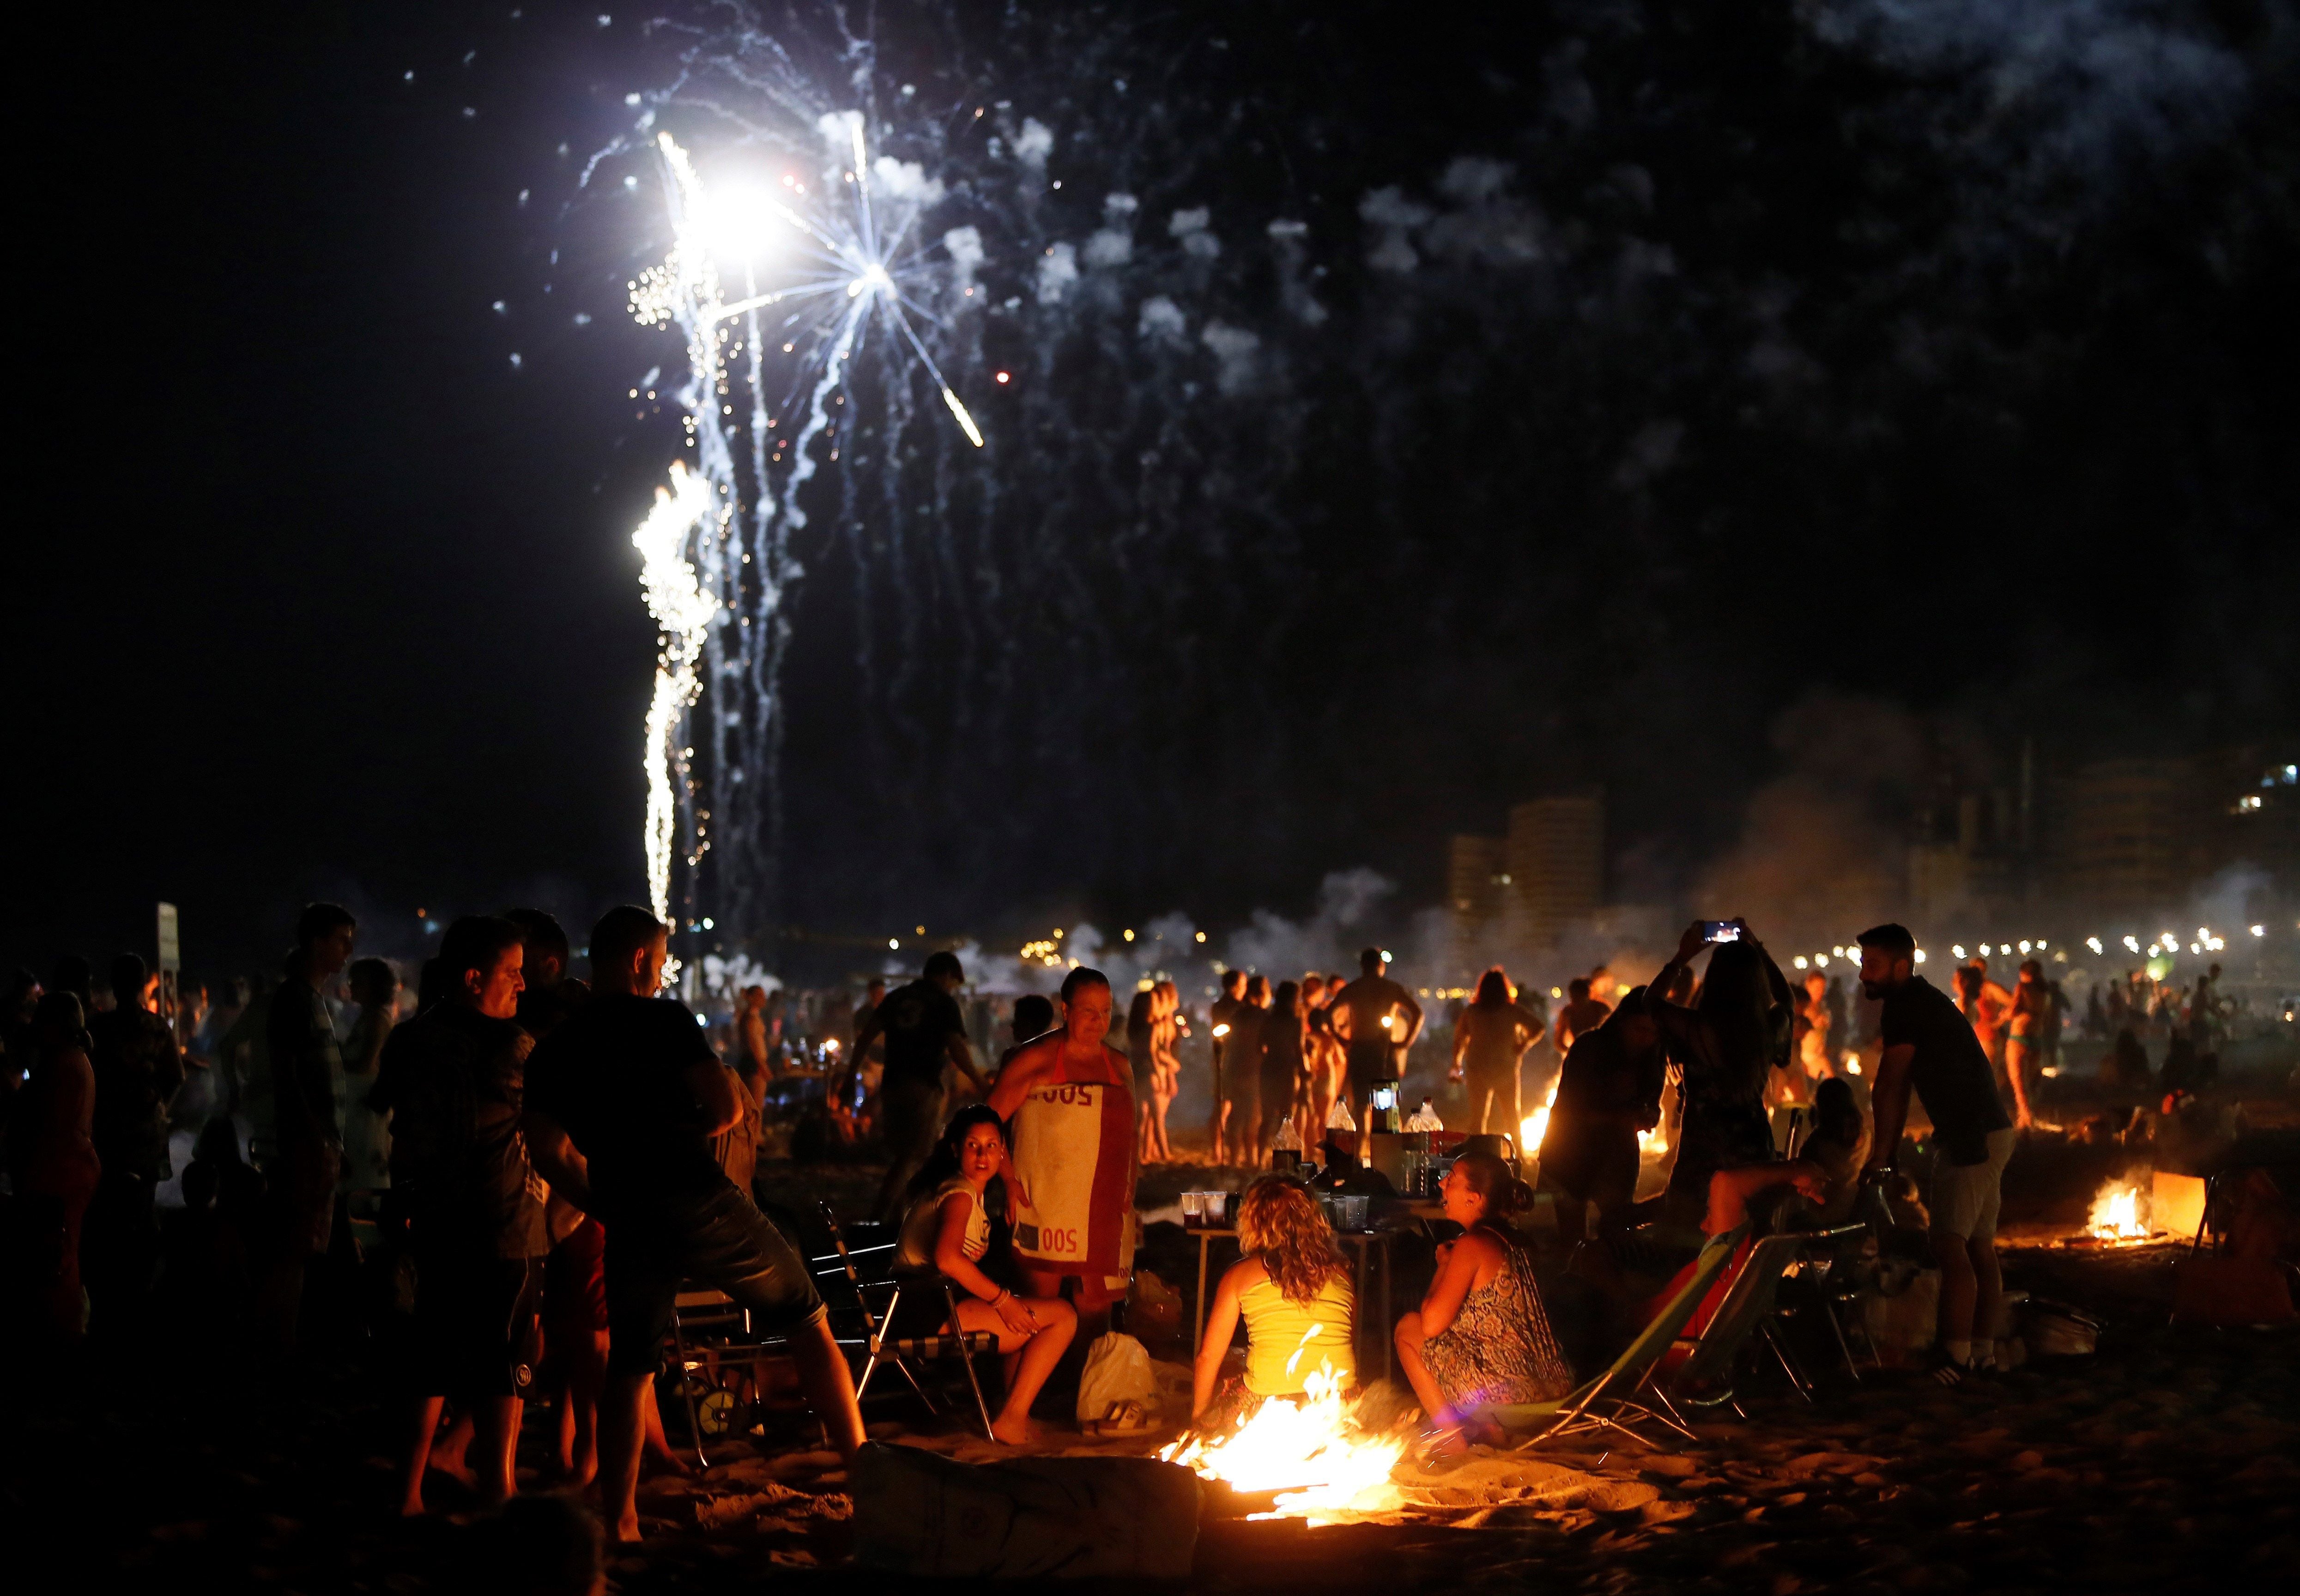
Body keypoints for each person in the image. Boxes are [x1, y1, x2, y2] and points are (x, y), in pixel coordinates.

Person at [525, 906, 861, 1541]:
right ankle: (865, 1473)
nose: (660, 972)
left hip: (629, 1210)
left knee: (632, 1364)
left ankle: (621, 1518)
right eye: (659, 959)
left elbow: (547, 1149)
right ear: (639, 961)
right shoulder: (665, 1020)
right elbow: (728, 1108)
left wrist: (600, 1198)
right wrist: (678, 1140)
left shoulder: (556, 1050)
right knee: (806, 1316)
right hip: (696, 1195)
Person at [368, 916, 549, 1516]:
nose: (523, 986)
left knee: (433, 1357)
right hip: (504, 1224)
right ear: (475, 979)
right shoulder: (511, 1049)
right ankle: (500, 1492)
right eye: (513, 974)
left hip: (436, 1222)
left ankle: (407, 1491)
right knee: (504, 1367)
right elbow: (557, 1127)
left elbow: (391, 1119)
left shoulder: (411, 1039)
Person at [1855, 923, 2015, 1385]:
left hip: (1970, 1135)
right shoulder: (1922, 1000)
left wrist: (1882, 1154)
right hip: (1991, 1130)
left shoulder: (1905, 1007)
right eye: (1863, 963)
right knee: (1979, 1247)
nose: (1864, 973)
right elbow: (1898, 1087)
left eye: (1873, 964)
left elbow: (1891, 1083)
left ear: (1901, 967)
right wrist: (1889, 1149)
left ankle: (1953, 1357)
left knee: (1950, 1246)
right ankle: (1981, 1351)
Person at [894, 1106, 1078, 1443]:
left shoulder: (965, 1190)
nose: (983, 1155)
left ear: (1002, 1152)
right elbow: (947, 1259)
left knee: (1028, 1316)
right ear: (955, 1149)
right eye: (972, 1146)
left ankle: (1011, 1410)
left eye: (992, 1146)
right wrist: (1002, 1300)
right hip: (926, 1308)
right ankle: (1012, 1418)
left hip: (918, 1302)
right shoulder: (960, 1193)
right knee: (1062, 1317)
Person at [1393, 1149, 1574, 1451]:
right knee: (1468, 1336)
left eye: (1452, 1180)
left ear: (1474, 1199)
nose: (1442, 1185)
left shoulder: (1473, 1245)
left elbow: (1432, 1324)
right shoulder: (1522, 1242)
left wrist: (1443, 1267)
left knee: (1408, 1329)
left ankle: (1454, 1442)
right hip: (1557, 1389)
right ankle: (1493, 1434)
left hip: (1513, 1400)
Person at [987, 967, 1138, 1324]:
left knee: (1095, 1308)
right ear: (1066, 1010)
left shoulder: (1119, 1066)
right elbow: (984, 1124)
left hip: (1103, 1205)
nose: (1098, 1021)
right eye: (1089, 1011)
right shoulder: (1035, 1059)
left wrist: (1133, 1197)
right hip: (1044, 1203)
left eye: (1106, 1011)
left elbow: (1132, 1139)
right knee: (1036, 1310)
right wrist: (1007, 1180)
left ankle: (1086, 1380)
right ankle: (1030, 1379)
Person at [1644, 920, 1794, 1226]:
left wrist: (1682, 957)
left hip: (1702, 1152)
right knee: (1750, 1236)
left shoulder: (1694, 1027)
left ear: (1714, 981)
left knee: (1690, 1239)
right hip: (1752, 1149)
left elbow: (1651, 1003)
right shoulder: (1769, 1028)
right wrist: (1759, 949)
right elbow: (1787, 1001)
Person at [261, 902, 357, 1351]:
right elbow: (288, 1071)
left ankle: (291, 1336)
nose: (349, 951)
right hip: (308, 1143)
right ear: (317, 942)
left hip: (320, 1141)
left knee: (305, 1246)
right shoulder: (295, 998)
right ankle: (280, 1342)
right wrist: (314, 1133)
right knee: (296, 1247)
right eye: (342, 940)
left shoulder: (313, 998)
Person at [1190, 1176, 1356, 1427]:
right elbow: (1345, 1344)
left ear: (1253, 1222)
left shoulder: (1239, 1278)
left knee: (1228, 1378)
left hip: (1269, 1405)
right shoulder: (1343, 1276)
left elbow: (1208, 1358)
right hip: (1339, 1403)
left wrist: (1200, 1419)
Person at [848, 951, 990, 1222]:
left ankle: (898, 1219)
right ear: (946, 975)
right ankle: (877, 1219)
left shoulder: (897, 997)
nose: (952, 987)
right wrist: (980, 1081)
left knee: (904, 1154)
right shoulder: (943, 1003)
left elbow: (866, 1036)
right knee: (916, 1155)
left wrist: (849, 1077)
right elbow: (957, 1048)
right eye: (953, 981)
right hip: (924, 1084)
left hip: (892, 1084)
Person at [85, 952, 184, 1330]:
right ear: (144, 984)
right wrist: (158, 1105)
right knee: (143, 1210)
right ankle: (140, 1290)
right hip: (145, 1134)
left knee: (108, 1207)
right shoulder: (157, 1027)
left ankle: (110, 1291)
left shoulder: (99, 1028)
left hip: (109, 1134)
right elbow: (176, 1077)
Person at [5, 993, 101, 1341]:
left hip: (58, 1174)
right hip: (71, 1171)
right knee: (65, 1253)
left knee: (54, 1259)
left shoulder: (60, 1065)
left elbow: (38, 1123)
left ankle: (62, 1330)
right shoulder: (76, 1060)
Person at [1536, 987, 1667, 1242]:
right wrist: (1622, 1118)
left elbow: (1653, 1102)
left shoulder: (1654, 1056)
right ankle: (1573, 1277)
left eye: (1653, 1032)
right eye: (1639, 1029)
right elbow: (1575, 1109)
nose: (1647, 1038)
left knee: (1616, 1230)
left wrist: (1650, 1115)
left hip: (1617, 1154)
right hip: (1569, 1149)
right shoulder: (1589, 1047)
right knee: (1572, 1237)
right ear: (1621, 1022)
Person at [1450, 968, 1542, 1136]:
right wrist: (1524, 1045)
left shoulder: (1472, 1012)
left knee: (1478, 1118)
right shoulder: (1512, 1011)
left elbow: (1459, 1040)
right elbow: (1538, 1028)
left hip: (1477, 1069)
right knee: (1512, 1115)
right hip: (1505, 1068)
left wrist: (1456, 1064)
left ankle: (1477, 1154)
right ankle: (1519, 1156)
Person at [1328, 949, 1423, 1101]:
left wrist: (1342, 1040)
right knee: (1387, 1106)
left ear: (1362, 965)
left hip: (1360, 1050)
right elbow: (1417, 1013)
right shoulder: (1391, 988)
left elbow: (1328, 1014)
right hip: (1385, 1050)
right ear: (1381, 965)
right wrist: (1406, 1043)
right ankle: (1386, 1125)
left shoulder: (1353, 988)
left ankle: (1365, 1126)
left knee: (1362, 1104)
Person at [341, 956, 399, 1195]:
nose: (352, 986)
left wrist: (334, 1063)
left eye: (358, 982)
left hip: (365, 1108)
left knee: (363, 1172)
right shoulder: (367, 1018)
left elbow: (367, 1063)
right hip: (357, 1106)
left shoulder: (377, 1020)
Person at [1253, 981, 1309, 1165]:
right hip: (1287, 1069)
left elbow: (1260, 1045)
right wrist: (1305, 1072)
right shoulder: (1295, 1020)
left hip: (1269, 1068)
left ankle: (1258, 1161)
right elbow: (1300, 1049)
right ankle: (1282, 1161)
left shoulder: (1268, 1019)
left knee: (1267, 1116)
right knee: (1286, 1118)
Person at [1217, 976, 1270, 1167]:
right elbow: (1265, 1044)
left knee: (1237, 1116)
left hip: (1234, 1068)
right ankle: (1250, 1159)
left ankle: (1233, 1160)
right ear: (1262, 994)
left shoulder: (1237, 1015)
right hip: (1253, 1070)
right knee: (1253, 1116)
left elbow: (1228, 1042)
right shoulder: (1262, 1016)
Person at [2000, 961, 2051, 1130]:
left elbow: (2015, 1009)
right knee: (2030, 1083)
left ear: (2024, 973)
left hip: (2019, 1037)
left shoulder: (2022, 987)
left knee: (2019, 1084)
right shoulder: (2045, 992)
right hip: (2036, 1040)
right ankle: (2024, 1120)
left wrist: (2003, 1015)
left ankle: (2029, 1122)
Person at [1207, 969, 1247, 1162]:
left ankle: (1219, 1148)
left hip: (1225, 1059)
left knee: (1224, 1106)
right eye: (1243, 984)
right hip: (1231, 1060)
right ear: (1236, 986)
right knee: (1225, 1105)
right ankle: (1218, 1149)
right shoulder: (1235, 1007)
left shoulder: (1218, 1006)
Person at [1551, 977, 1611, 1058]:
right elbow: (1559, 1041)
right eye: (1573, 998)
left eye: (1579, 998)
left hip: (1604, 1053)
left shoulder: (1602, 1010)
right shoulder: (1568, 1012)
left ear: (1587, 995)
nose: (1575, 1002)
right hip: (1582, 1055)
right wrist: (1573, 1052)